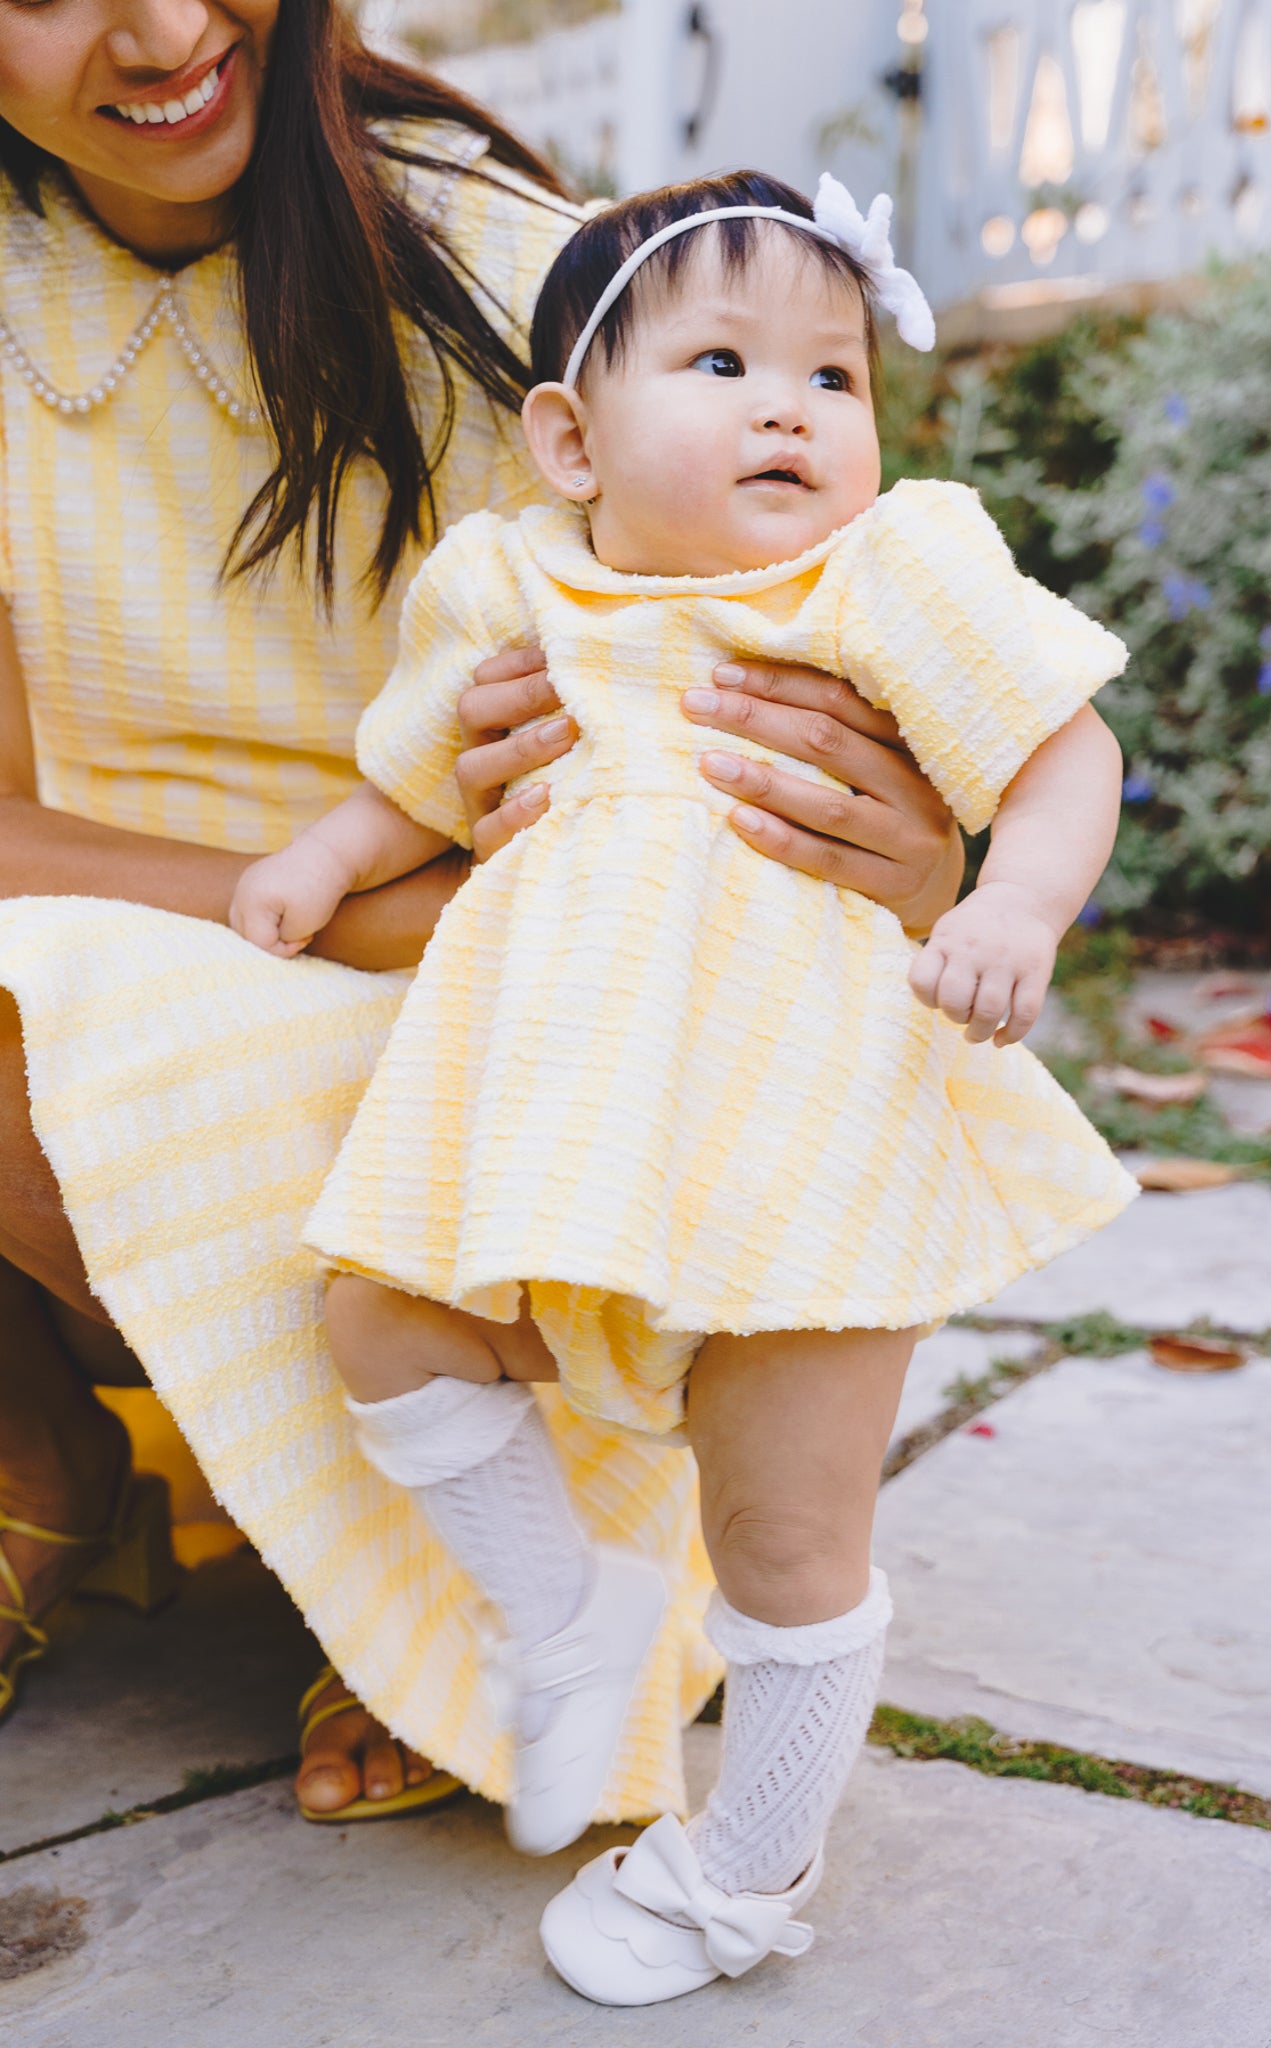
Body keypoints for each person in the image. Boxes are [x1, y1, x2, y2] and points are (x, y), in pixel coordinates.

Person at [0, 3, 966, 1824]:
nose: (158, 29)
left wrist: (914, 841)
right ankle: (46, 1457)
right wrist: (330, 900)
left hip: (502, 961)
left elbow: (807, 641)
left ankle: (429, 1586)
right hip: (264, 911)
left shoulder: (511, 269)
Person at [229, 170, 1137, 2003]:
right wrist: (321, 866)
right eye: (722, 360)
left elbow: (1062, 748)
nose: (792, 407)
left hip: (805, 1133)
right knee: (380, 1321)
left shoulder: (881, 576)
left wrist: (1018, 903)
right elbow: (413, 772)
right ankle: (570, 1618)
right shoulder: (509, 585)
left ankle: (750, 1862)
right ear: (567, 436)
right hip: (563, 1125)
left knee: (787, 1531)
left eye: (832, 374)